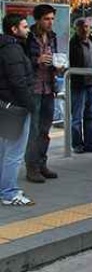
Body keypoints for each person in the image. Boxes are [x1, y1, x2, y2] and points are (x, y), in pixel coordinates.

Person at [0, 14, 36, 205]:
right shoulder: (13, 49)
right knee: (14, 153)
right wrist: (30, 104)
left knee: (4, 151)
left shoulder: (6, 47)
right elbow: (18, 81)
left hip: (6, 104)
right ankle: (9, 193)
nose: (28, 29)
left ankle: (4, 189)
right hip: (16, 107)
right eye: (24, 26)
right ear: (14, 29)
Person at [24, 4, 60, 183]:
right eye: (46, 19)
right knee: (34, 130)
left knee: (45, 130)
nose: (50, 22)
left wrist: (58, 65)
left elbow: (55, 57)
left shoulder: (52, 37)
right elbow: (21, 63)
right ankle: (32, 167)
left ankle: (42, 163)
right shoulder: (28, 37)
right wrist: (36, 60)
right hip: (34, 88)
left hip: (49, 87)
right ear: (38, 19)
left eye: (52, 18)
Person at [69, 17, 92, 154]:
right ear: (76, 28)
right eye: (81, 27)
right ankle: (77, 144)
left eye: (87, 26)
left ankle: (90, 144)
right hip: (79, 84)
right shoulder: (73, 44)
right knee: (77, 116)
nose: (85, 29)